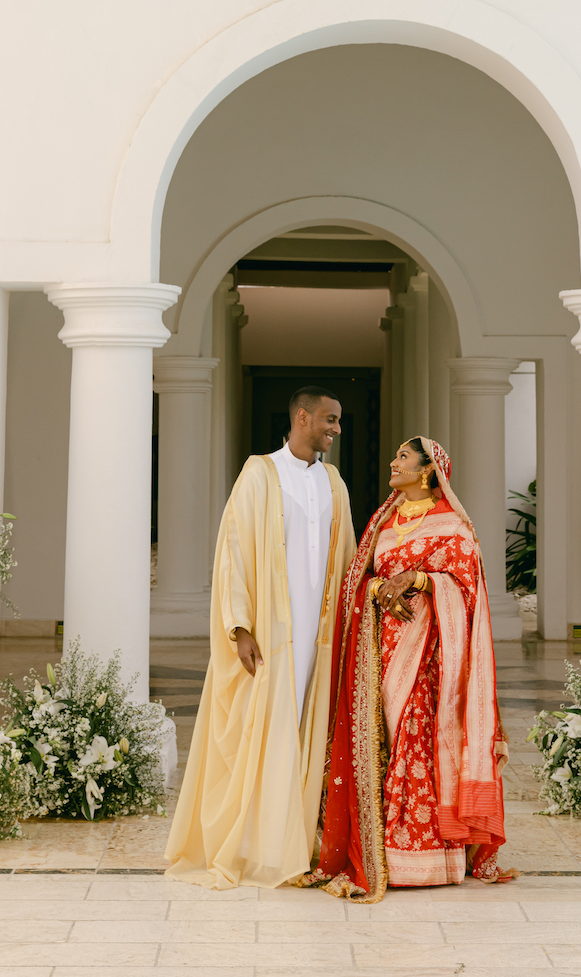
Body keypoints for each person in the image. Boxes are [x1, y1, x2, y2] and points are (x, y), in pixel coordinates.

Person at [302, 436, 513, 902]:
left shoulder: (454, 525)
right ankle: (376, 848)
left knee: (417, 740)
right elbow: (360, 580)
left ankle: (420, 857)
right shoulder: (384, 520)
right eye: (394, 454)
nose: (393, 462)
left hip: (430, 655)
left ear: (426, 471)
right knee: (380, 744)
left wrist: (419, 579)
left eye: (403, 457)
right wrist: (379, 589)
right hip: (379, 651)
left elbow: (469, 589)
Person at [165, 386, 356, 889]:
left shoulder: (334, 483)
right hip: (270, 634)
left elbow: (350, 560)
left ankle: (298, 845)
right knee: (264, 734)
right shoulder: (259, 474)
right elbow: (232, 552)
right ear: (302, 416)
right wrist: (240, 626)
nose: (337, 429)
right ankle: (255, 847)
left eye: (338, 421)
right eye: (330, 419)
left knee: (307, 734)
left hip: (321, 633)